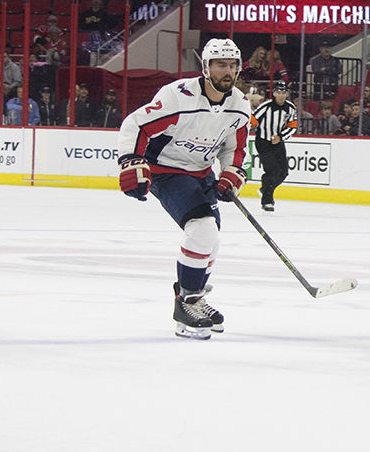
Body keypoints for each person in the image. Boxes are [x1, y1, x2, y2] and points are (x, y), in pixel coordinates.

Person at [116, 38, 250, 340]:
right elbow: (135, 124)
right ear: (206, 67)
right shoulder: (180, 96)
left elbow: (235, 146)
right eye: (220, 64)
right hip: (166, 170)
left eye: (232, 65)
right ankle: (186, 304)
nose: (227, 71)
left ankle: (194, 298)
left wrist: (230, 172)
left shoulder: (239, 104)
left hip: (199, 173)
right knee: (202, 230)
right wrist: (131, 161)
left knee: (210, 239)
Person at [251, 81, 297, 212]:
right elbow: (252, 120)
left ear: (287, 94)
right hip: (263, 142)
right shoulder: (265, 106)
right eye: (279, 92)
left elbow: (292, 126)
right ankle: (267, 201)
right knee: (272, 171)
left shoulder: (290, 108)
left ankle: (264, 188)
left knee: (283, 172)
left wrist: (280, 137)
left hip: (278, 142)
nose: (281, 95)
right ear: (274, 93)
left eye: (284, 93)